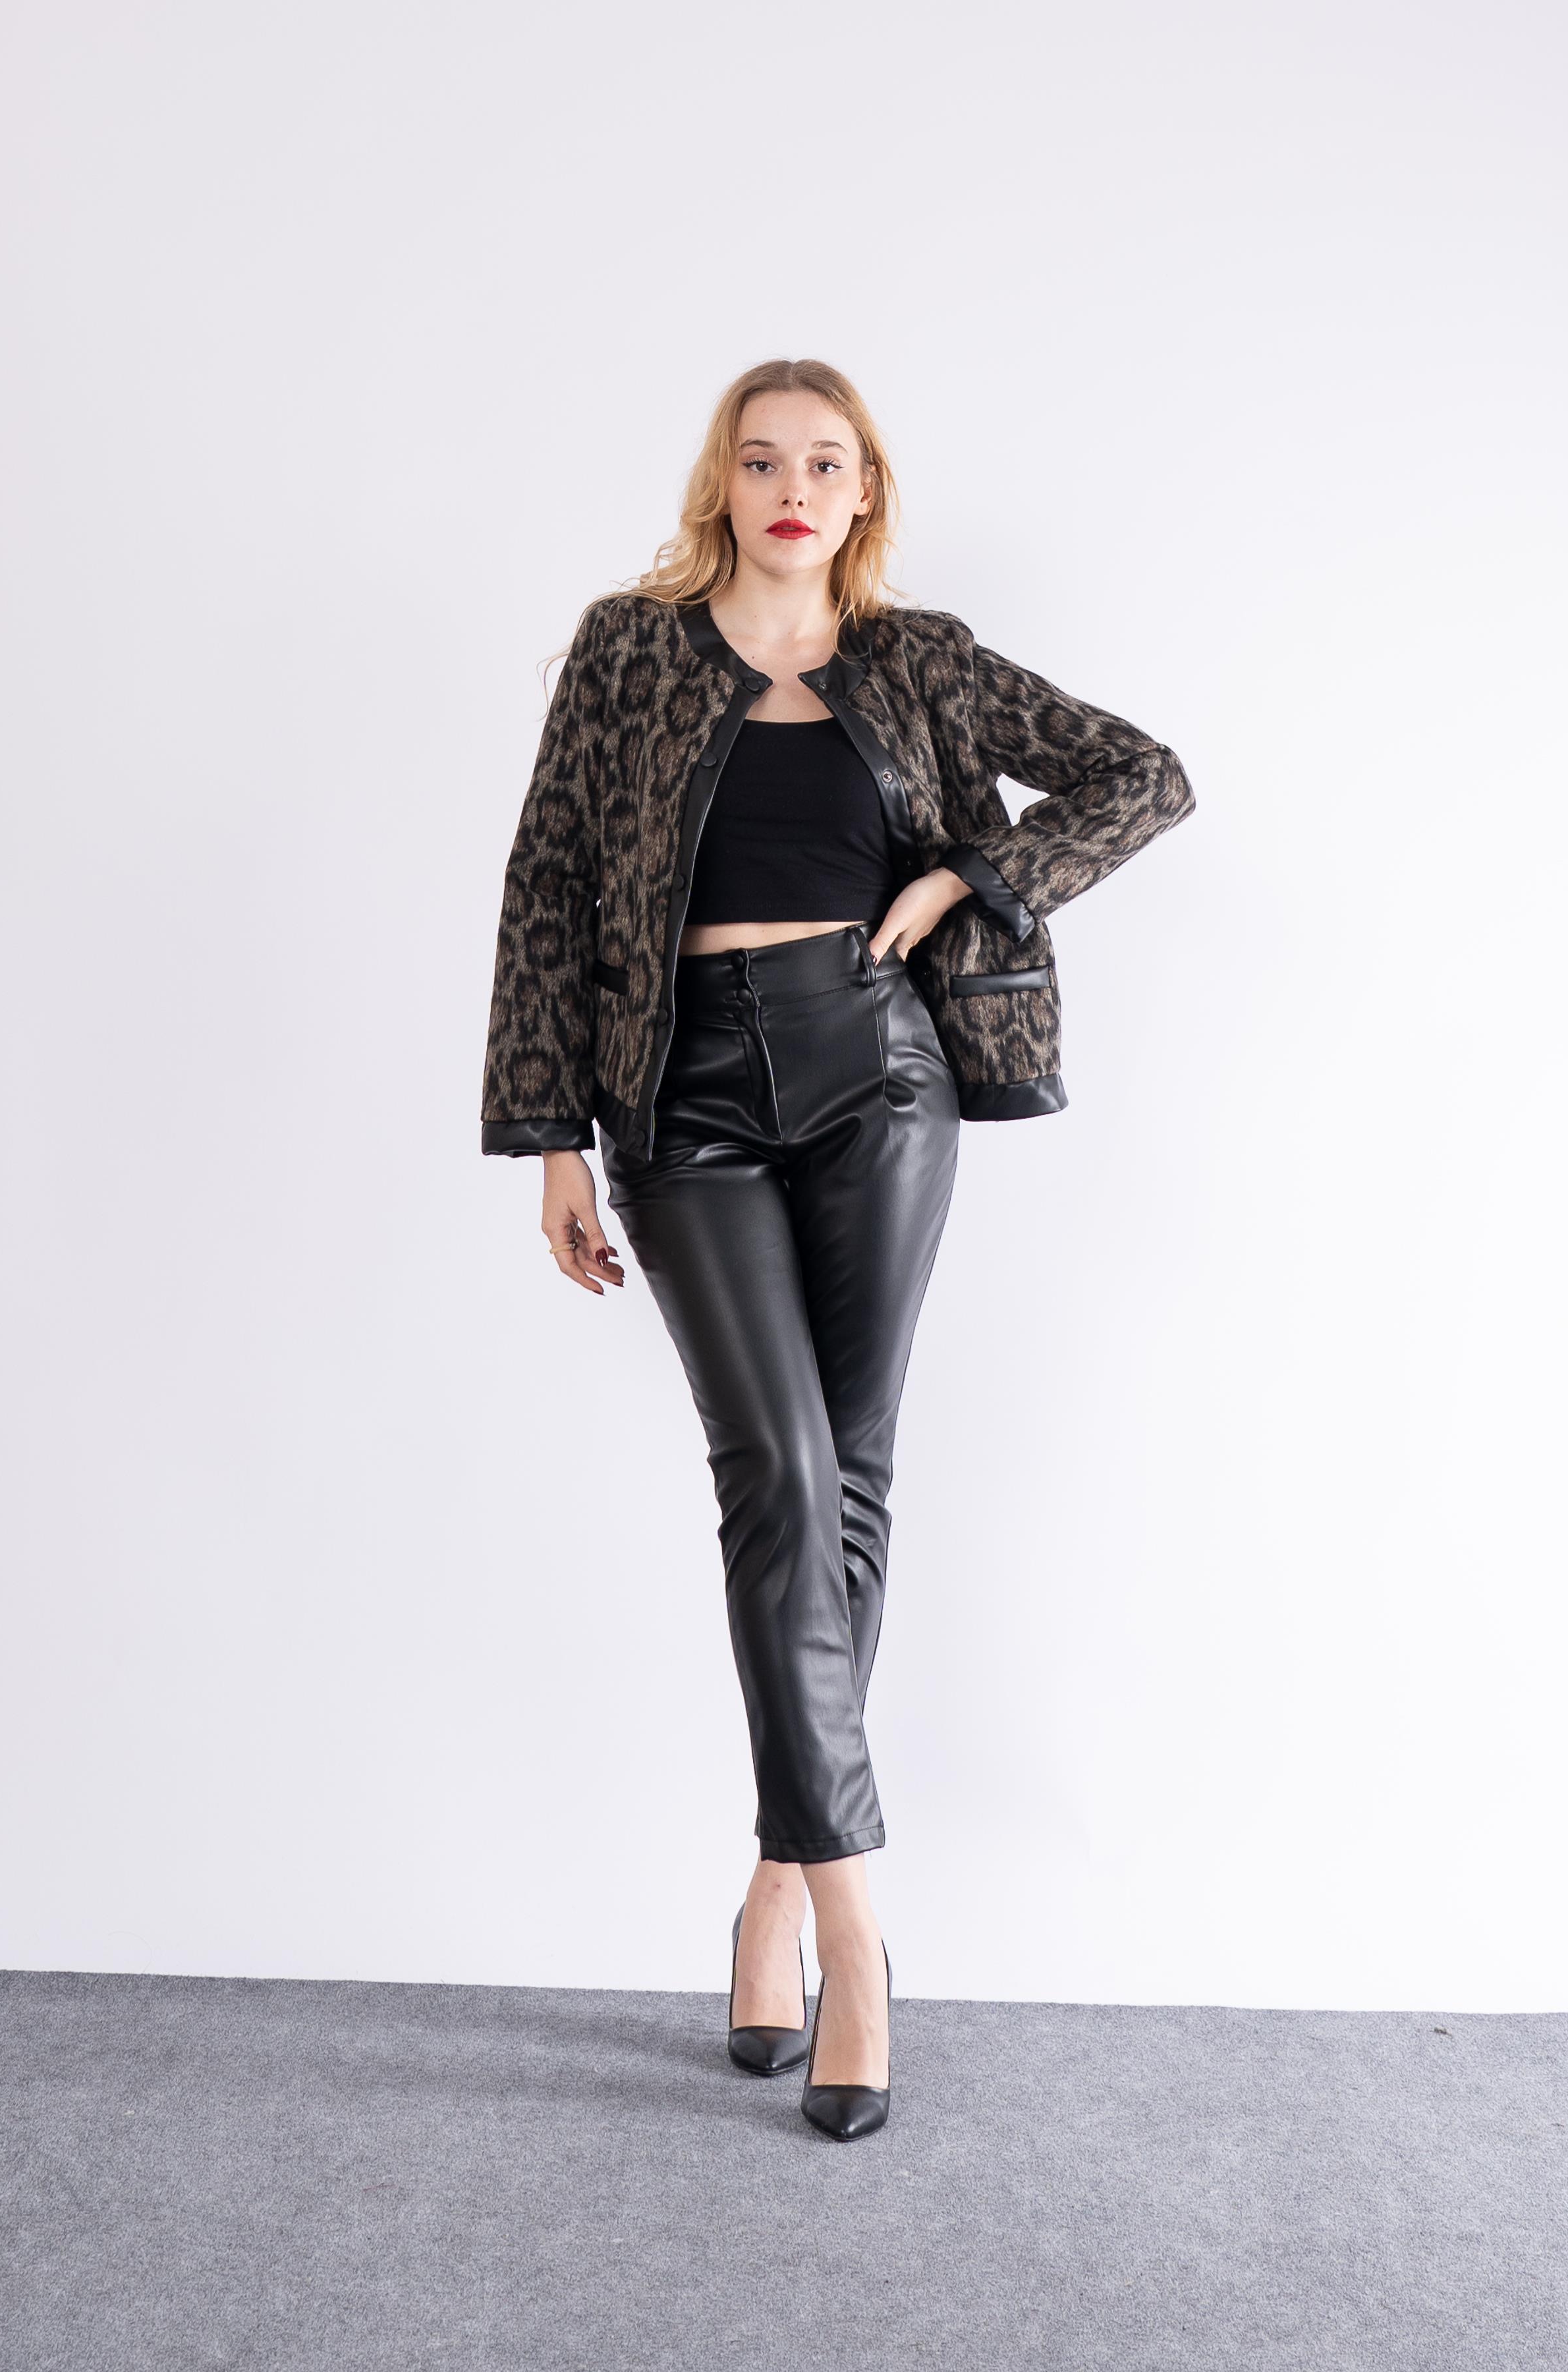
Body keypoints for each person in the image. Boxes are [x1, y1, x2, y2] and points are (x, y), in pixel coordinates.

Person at [480, 358, 1194, 2141]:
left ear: (865, 489)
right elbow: (549, 880)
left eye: (825, 462)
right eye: (761, 461)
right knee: (781, 1476)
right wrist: (551, 1131)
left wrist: (969, 877)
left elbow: (1146, 775)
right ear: (719, 486)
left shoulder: (920, 660)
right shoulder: (628, 652)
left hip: (881, 1072)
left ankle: (778, 1893)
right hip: (685, 1091)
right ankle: (862, 1929)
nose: (792, 488)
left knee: (851, 1475)